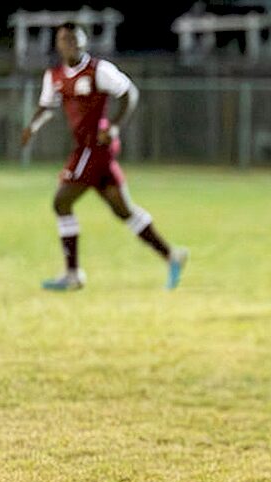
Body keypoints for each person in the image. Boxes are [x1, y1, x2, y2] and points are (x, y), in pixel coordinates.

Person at [21, 22, 187, 292]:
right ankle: (172, 256)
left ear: (85, 41)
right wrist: (32, 127)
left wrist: (117, 126)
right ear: (58, 44)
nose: (70, 44)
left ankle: (73, 274)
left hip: (95, 147)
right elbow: (47, 107)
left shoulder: (99, 70)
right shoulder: (54, 76)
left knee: (61, 202)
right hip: (85, 148)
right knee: (123, 211)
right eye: (65, 39)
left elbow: (129, 93)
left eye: (75, 39)